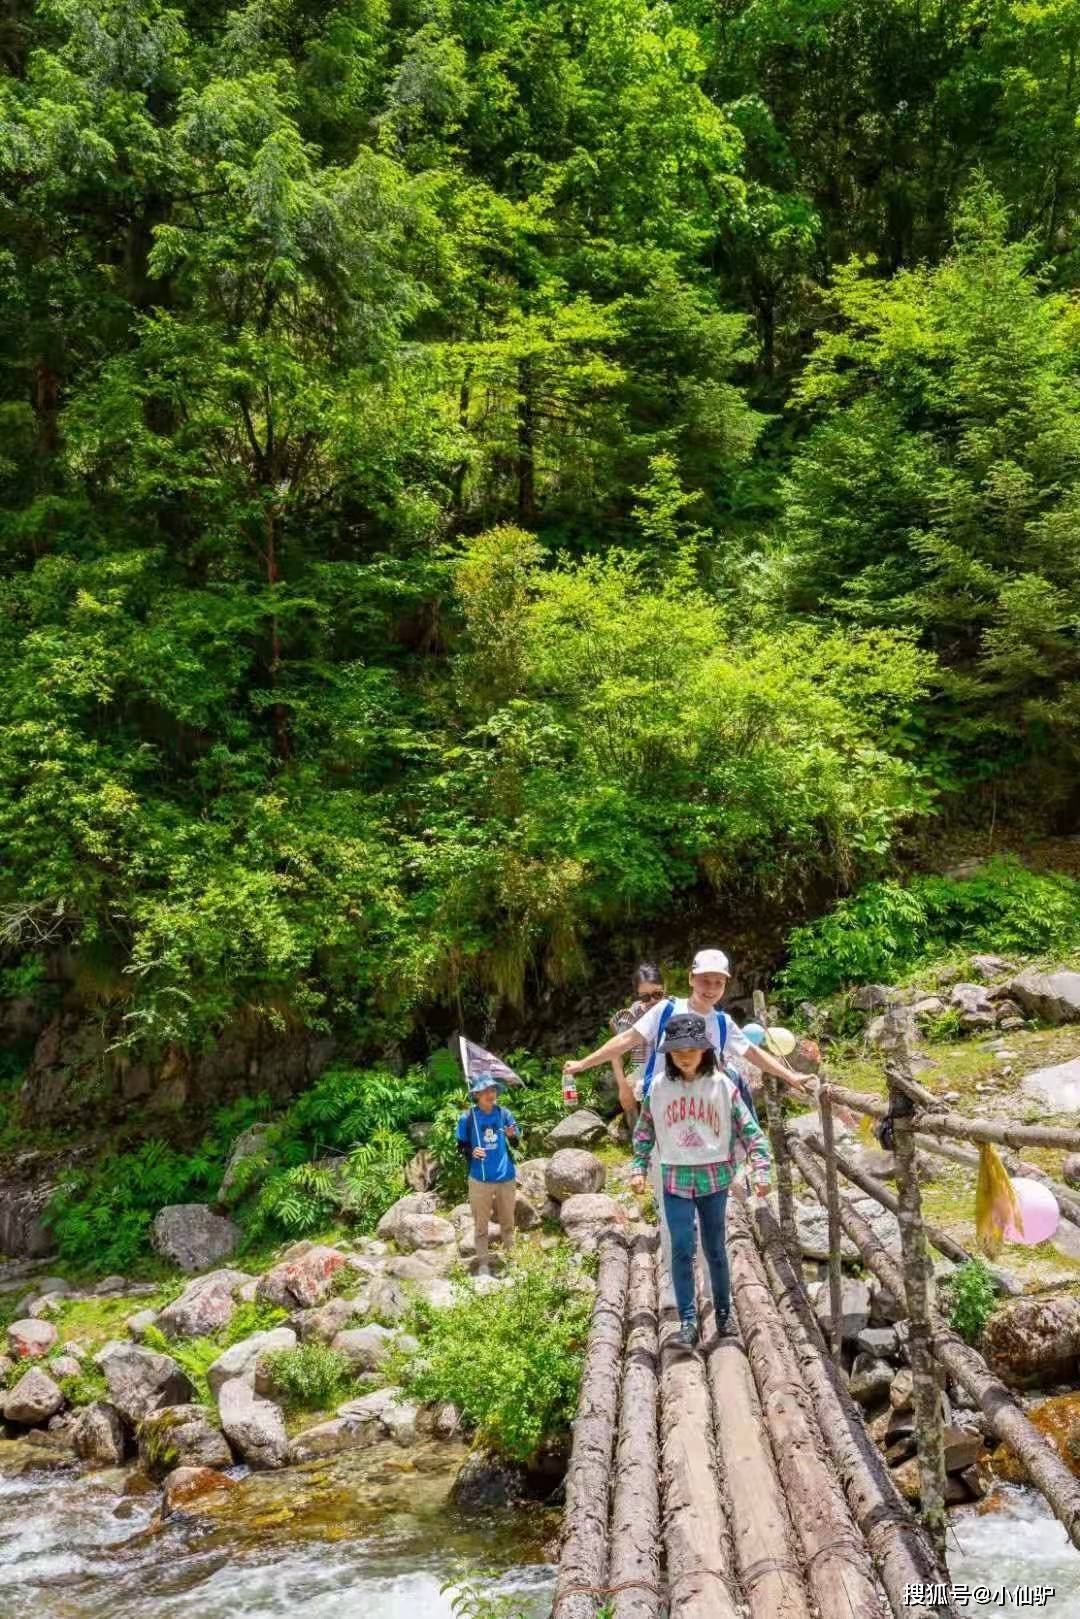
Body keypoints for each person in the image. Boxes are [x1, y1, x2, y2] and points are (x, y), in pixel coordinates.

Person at [562, 947, 803, 1299]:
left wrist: (792, 1077)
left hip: (708, 1129)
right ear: (691, 978)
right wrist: (583, 1063)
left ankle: (707, 1288)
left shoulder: (722, 1022)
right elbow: (627, 1040)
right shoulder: (665, 1010)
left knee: (710, 1212)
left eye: (718, 982)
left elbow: (753, 1053)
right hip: (665, 1123)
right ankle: (679, 1289)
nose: (710, 987)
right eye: (705, 979)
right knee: (669, 1205)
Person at [629, 1011, 771, 1351]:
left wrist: (761, 1168)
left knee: (715, 1247)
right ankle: (689, 1320)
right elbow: (645, 1129)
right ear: (669, 1054)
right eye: (678, 1051)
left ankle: (723, 1313)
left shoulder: (723, 1086)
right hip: (675, 1175)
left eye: (691, 1049)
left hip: (714, 1176)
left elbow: (751, 1131)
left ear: (704, 1050)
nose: (685, 1056)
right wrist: (637, 1166)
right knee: (679, 1247)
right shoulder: (659, 1089)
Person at [456, 1076, 519, 1277]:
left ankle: (512, 1262)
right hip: (479, 1179)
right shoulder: (467, 1118)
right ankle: (483, 1263)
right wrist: (472, 1151)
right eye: (485, 1091)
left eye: (493, 1090)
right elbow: (461, 1146)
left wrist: (512, 1135)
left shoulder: (504, 1113)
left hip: (505, 1176)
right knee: (481, 1226)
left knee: (508, 1223)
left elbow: (516, 1142)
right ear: (476, 1095)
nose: (490, 1094)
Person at [608, 961, 666, 1130]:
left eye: (657, 994)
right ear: (637, 995)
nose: (652, 1001)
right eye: (645, 997)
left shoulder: (673, 1007)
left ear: (664, 988)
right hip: (642, 1071)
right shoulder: (631, 1015)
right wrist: (623, 1088)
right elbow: (615, 1051)